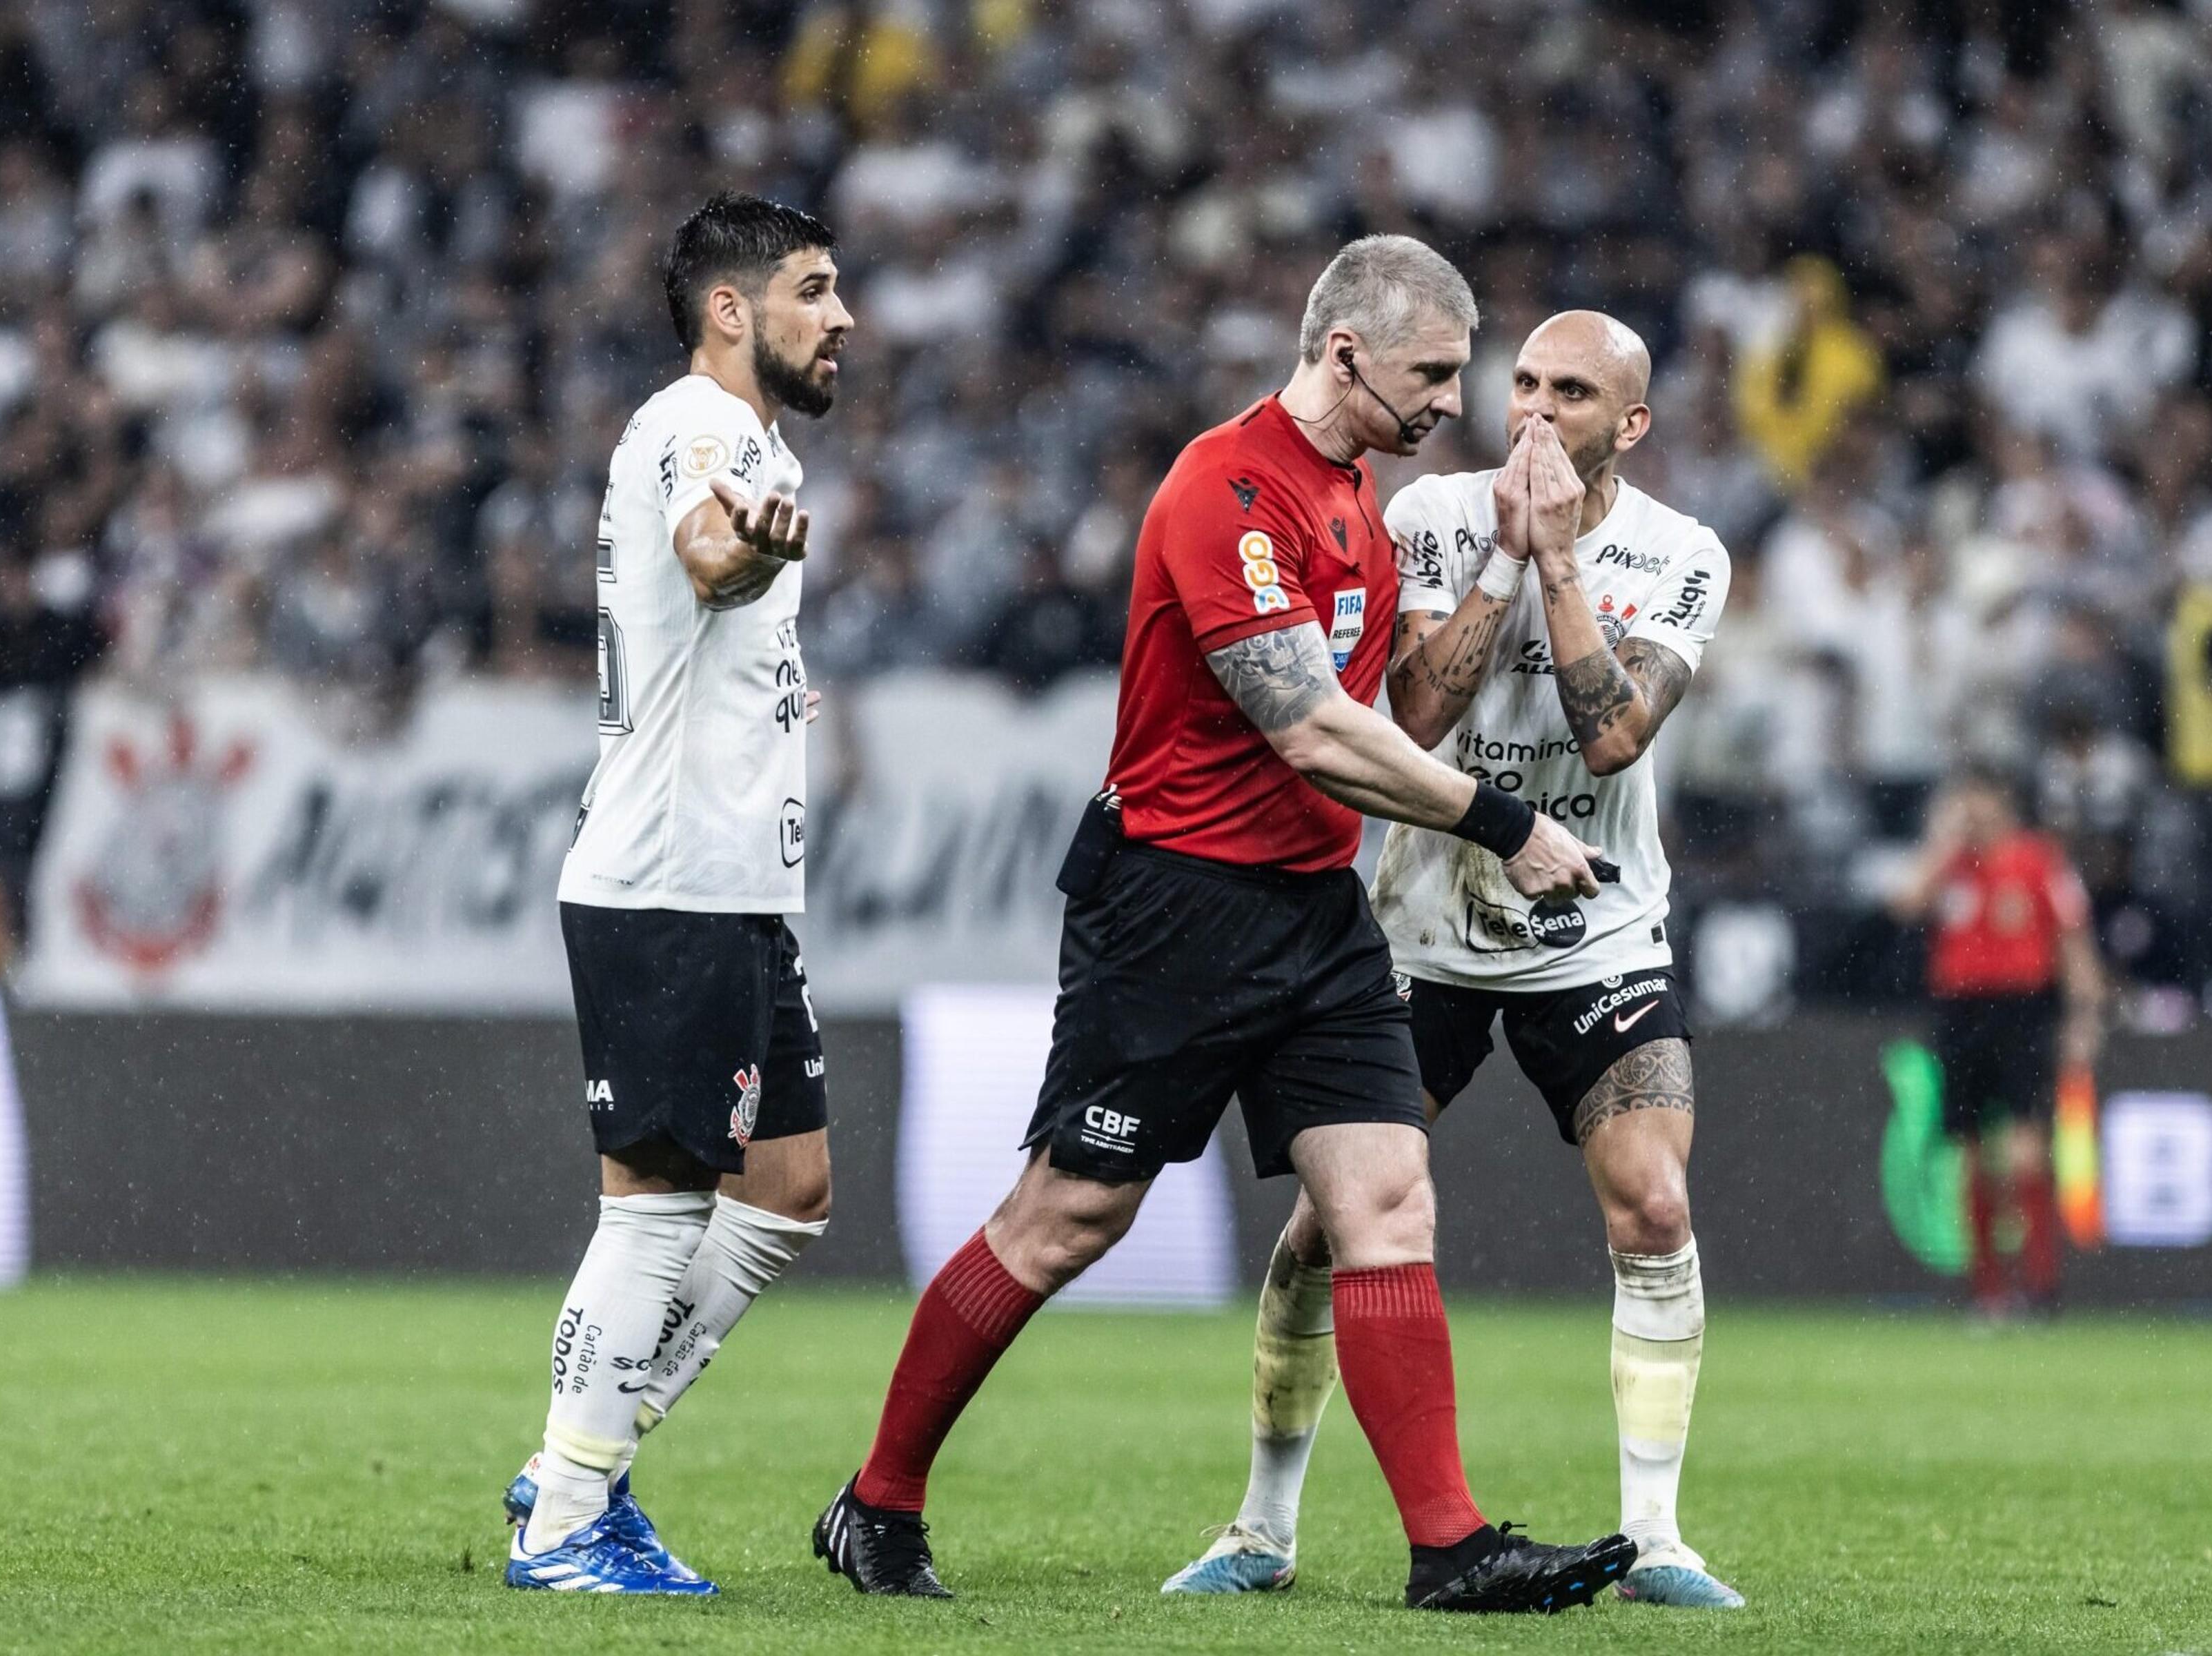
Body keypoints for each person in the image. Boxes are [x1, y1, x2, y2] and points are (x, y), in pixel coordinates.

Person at [812, 237, 1635, 1613]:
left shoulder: (1356, 504)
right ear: (1347, 351)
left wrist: (1503, 568)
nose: (1456, 401)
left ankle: (1450, 1549)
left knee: (1385, 1200)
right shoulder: (1228, 489)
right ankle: (877, 1500)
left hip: (1315, 913)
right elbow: (1312, 728)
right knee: (1069, 1217)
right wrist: (1502, 822)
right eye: (1434, 372)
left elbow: (1398, 724)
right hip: (1174, 907)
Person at [1164, 312, 1746, 1610]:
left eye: (1572, 393)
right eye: (1523, 382)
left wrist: (1559, 571)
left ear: (1630, 425)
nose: (1532, 411)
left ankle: (1656, 1535)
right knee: (1325, 1228)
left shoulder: (1684, 556)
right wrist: (1502, 560)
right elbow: (1412, 717)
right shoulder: (1427, 514)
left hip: (1596, 924)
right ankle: (1262, 1525)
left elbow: (1613, 739)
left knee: (1654, 1203)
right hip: (1420, 924)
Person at [502, 192, 855, 1595]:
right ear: (733, 309)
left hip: (728, 887)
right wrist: (750, 545)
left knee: (787, 1190)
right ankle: (570, 1515)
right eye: (816, 291)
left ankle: (582, 1450)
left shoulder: (743, 441)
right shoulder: (700, 429)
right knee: (655, 1207)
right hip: (667, 885)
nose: (843, 319)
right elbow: (710, 555)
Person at [1889, 768, 2107, 1318]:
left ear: (2004, 800)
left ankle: (2039, 1287)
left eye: (1981, 798)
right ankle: (1988, 1295)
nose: (1974, 810)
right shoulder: (1952, 864)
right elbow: (1904, 904)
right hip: (1961, 1015)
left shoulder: (2037, 860)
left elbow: (2072, 941)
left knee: (2024, 1154)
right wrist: (1942, 844)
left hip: (2021, 1013)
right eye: (1965, 799)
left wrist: (2085, 1015)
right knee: (1968, 1158)